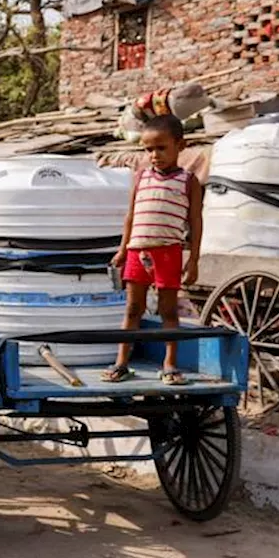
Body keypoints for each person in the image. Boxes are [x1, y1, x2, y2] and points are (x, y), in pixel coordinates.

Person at [103, 115, 203, 386]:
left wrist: (193, 260)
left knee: (168, 312)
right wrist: (122, 250)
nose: (154, 155)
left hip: (168, 252)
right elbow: (131, 216)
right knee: (133, 309)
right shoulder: (141, 177)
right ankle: (121, 362)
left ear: (180, 145)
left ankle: (169, 364)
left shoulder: (188, 180)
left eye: (161, 148)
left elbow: (195, 221)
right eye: (148, 149)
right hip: (137, 251)